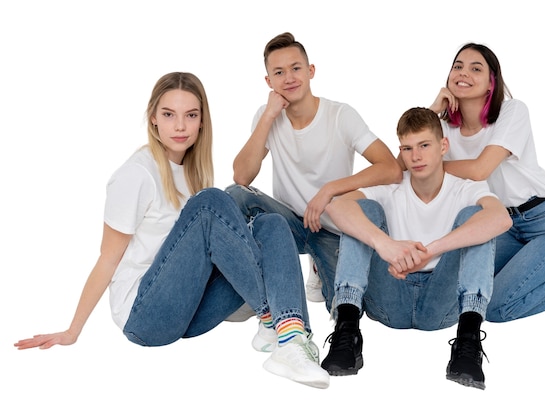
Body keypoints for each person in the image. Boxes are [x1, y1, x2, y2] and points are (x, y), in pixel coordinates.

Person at [14, 72, 330, 389]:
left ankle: (287, 339)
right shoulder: (136, 174)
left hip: (189, 309)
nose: (179, 126)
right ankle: (278, 324)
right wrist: (72, 330)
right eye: (168, 115)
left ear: (202, 122)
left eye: (190, 115)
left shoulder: (192, 172)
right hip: (146, 316)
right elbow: (107, 259)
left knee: (271, 224)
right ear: (153, 118)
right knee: (212, 202)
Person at [321, 107, 512, 390]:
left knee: (477, 218)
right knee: (362, 210)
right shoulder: (392, 186)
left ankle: (468, 341)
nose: (416, 156)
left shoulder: (465, 187)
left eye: (424, 145)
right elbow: (337, 208)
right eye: (408, 148)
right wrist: (385, 245)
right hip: (388, 298)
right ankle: (346, 332)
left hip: (442, 302)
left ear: (443, 146)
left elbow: (501, 218)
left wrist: (433, 249)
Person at [226, 32, 402, 309]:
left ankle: (319, 266)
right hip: (287, 225)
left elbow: (391, 169)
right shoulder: (266, 116)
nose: (289, 78)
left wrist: (329, 190)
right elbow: (242, 177)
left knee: (344, 306)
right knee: (234, 196)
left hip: (332, 227)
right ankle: (254, 284)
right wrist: (269, 116)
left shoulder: (340, 115)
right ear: (268, 81)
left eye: (296, 68)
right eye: (279, 72)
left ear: (310, 71)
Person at [428, 43, 545, 321]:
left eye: (476, 68)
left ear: (490, 84)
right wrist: (431, 111)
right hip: (504, 226)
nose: (463, 72)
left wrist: (433, 165)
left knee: (494, 307)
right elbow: (406, 164)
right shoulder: (444, 128)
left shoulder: (512, 112)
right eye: (457, 66)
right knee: (467, 286)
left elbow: (480, 168)